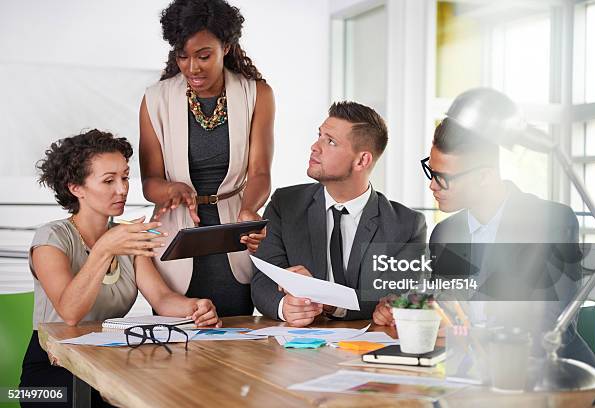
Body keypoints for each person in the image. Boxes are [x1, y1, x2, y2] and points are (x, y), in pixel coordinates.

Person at [373, 116, 595, 368]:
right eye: (431, 171)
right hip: (471, 370)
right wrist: (406, 311)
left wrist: (464, 332)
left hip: (550, 373)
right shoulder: (445, 233)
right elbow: (448, 307)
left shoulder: (550, 222)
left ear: (484, 176)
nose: (432, 185)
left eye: (443, 177)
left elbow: (545, 323)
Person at [19, 130, 220, 408]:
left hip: (106, 362)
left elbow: (162, 299)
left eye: (125, 177)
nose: (123, 189)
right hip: (50, 372)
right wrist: (105, 248)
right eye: (109, 180)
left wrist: (195, 307)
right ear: (76, 188)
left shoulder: (126, 238)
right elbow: (70, 313)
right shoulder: (51, 238)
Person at [139, 0, 274, 317]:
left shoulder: (257, 94)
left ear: (226, 47)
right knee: (179, 345)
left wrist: (249, 211)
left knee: (237, 342)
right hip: (176, 239)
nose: (192, 68)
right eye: (183, 57)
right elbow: (150, 182)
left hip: (232, 235)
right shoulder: (155, 99)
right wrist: (171, 190)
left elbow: (259, 172)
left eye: (203, 56)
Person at [251, 101, 427, 327]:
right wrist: (284, 306)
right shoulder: (285, 205)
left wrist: (325, 299)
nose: (315, 146)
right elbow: (262, 281)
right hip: (295, 350)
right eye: (319, 136)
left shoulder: (407, 226)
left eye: (330, 141)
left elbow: (394, 297)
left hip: (366, 351)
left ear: (362, 160)